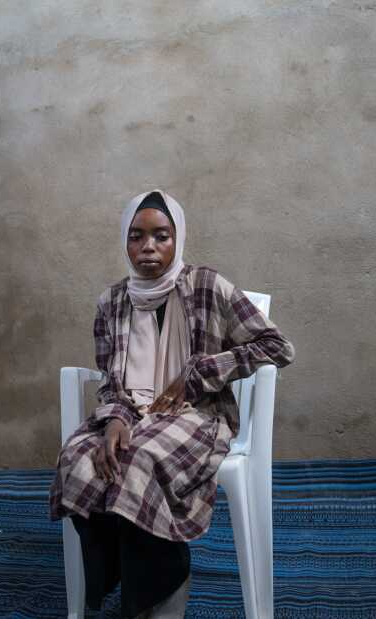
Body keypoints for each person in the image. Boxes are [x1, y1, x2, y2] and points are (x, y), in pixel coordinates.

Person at [49, 189, 295, 618]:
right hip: (132, 413)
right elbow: (111, 381)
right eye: (137, 236)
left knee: (140, 459)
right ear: (125, 243)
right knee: (79, 459)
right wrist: (116, 419)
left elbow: (277, 347)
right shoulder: (111, 303)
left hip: (197, 415)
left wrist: (200, 373)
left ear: (177, 239)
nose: (148, 246)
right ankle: (118, 586)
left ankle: (159, 597)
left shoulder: (207, 286)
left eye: (161, 236)